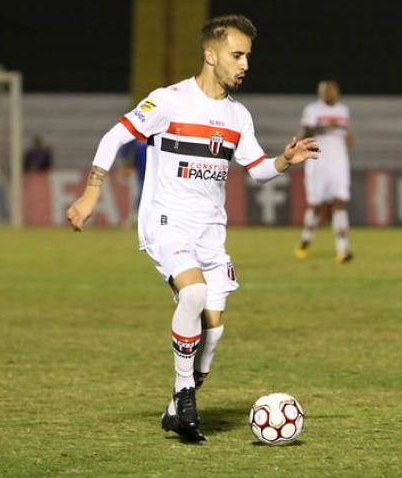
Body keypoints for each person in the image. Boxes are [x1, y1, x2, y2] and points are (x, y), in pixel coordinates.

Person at [66, 14, 319, 442]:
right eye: (237, 55)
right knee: (194, 293)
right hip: (166, 222)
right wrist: (90, 193)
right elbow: (114, 136)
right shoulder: (169, 101)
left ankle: (174, 410)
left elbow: (256, 169)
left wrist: (282, 161)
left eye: (247, 57)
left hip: (210, 233)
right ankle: (184, 394)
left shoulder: (238, 117)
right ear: (210, 54)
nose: (245, 65)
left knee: (213, 329)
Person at [294, 77, 354, 263]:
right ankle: (305, 240)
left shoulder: (343, 110)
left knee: (340, 202)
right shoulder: (312, 110)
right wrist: (322, 127)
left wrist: (348, 136)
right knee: (317, 206)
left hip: (339, 162)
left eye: (330, 90)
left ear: (336, 91)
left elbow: (346, 136)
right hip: (317, 161)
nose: (327, 94)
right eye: (323, 91)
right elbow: (304, 135)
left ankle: (343, 250)